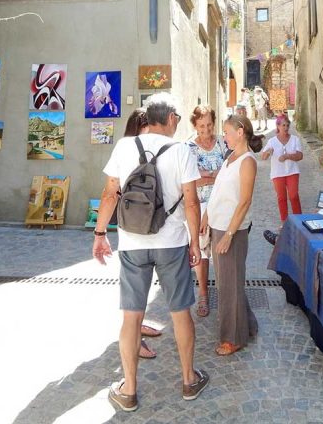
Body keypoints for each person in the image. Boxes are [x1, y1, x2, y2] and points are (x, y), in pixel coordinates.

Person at [93, 93, 209, 412]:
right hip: (171, 243)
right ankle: (189, 379)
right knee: (180, 311)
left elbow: (109, 194)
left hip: (132, 243)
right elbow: (190, 202)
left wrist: (100, 232)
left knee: (131, 317)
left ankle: (129, 390)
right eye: (179, 119)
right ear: (171, 118)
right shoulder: (182, 151)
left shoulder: (123, 146)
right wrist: (195, 244)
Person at [202, 115, 262, 355]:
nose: (223, 136)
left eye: (226, 132)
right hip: (219, 225)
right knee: (229, 281)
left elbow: (244, 201)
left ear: (240, 132)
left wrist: (229, 233)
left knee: (229, 286)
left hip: (232, 231)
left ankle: (232, 338)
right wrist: (207, 216)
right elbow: (218, 191)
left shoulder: (247, 161)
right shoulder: (230, 158)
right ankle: (248, 326)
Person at [121, 108, 163, 359]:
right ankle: (135, 342)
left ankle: (141, 325)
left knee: (143, 284)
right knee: (134, 289)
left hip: (143, 225)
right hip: (134, 227)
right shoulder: (129, 150)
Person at [187, 105, 227, 318]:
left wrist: (206, 174)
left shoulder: (223, 142)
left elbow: (230, 173)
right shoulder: (188, 148)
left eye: (209, 124)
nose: (206, 129)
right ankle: (203, 293)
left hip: (223, 205)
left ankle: (225, 293)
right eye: (201, 125)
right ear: (194, 125)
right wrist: (216, 174)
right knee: (201, 252)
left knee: (223, 249)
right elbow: (191, 180)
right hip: (199, 205)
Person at [261, 114, 303, 246]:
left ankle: (299, 220)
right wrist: (267, 153)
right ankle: (284, 222)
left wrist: (287, 156)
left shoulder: (295, 139)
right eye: (282, 125)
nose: (285, 127)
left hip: (292, 172)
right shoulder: (272, 141)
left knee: (293, 195)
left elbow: (300, 156)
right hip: (277, 173)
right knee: (281, 198)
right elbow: (263, 156)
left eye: (287, 125)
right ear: (278, 126)